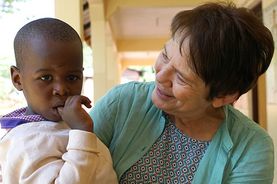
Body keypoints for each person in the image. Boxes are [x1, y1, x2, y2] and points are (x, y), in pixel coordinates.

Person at [90, 2, 275, 184]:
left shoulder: (251, 148)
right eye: (165, 55)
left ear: (223, 95)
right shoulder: (124, 102)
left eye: (181, 77)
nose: (160, 76)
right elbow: (70, 165)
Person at [0, 18, 117, 184]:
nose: (61, 89)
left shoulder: (53, 128)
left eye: (72, 77)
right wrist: (82, 133)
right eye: (46, 77)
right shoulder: (29, 142)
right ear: (18, 79)